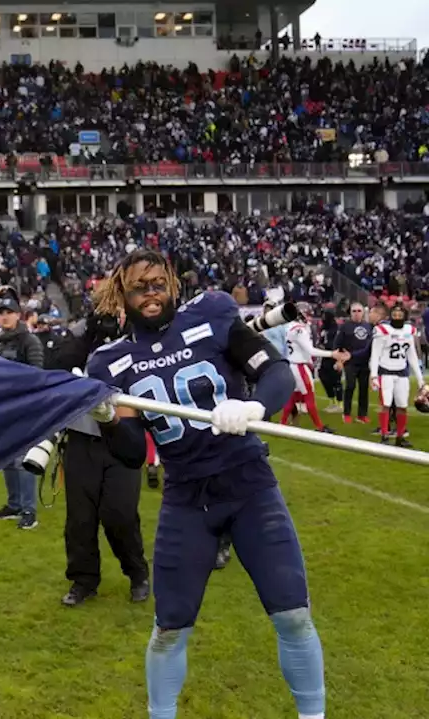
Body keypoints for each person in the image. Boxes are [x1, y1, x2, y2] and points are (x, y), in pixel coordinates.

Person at [85, 249, 325, 719]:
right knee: (169, 627)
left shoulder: (212, 315)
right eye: (138, 287)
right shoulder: (110, 362)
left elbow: (275, 371)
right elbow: (133, 453)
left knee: (293, 614)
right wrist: (109, 418)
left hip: (249, 483)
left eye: (157, 283)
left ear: (172, 284)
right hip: (187, 496)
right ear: (122, 295)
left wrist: (256, 408)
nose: (149, 294)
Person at [48, 312, 149, 606]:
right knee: (80, 518)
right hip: (81, 439)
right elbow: (56, 366)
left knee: (120, 514)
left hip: (122, 437)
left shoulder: (135, 341)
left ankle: (137, 572)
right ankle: (83, 580)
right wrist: (88, 336)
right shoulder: (78, 337)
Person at [0, 297, 44, 530]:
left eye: (9, 312)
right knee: (7, 460)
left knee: (23, 460)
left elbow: (37, 375)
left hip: (24, 407)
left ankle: (29, 511)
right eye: (1, 312)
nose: (4, 316)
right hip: (1, 407)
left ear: (18, 314)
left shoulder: (29, 340)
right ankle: (14, 504)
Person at [369, 303, 425, 448]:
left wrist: (420, 379)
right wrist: (374, 375)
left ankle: (400, 437)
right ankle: (384, 435)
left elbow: (411, 355)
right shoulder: (382, 330)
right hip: (386, 371)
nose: (397, 317)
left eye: (400, 315)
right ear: (390, 316)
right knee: (386, 404)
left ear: (405, 316)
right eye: (394, 315)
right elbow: (375, 354)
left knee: (402, 405)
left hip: (402, 373)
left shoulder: (409, 330)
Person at [282, 307, 345, 433]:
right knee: (309, 397)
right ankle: (319, 427)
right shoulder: (299, 329)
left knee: (292, 397)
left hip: (291, 364)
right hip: (299, 366)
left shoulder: (289, 327)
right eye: (308, 315)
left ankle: (281, 425)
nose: (310, 318)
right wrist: (332, 354)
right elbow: (310, 350)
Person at [335, 302, 374, 424]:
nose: (357, 313)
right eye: (354, 311)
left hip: (364, 362)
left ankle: (362, 415)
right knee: (350, 386)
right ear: (350, 313)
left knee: (364, 389)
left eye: (359, 311)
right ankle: (346, 413)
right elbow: (337, 345)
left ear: (363, 312)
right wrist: (339, 361)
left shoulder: (369, 326)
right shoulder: (344, 327)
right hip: (349, 362)